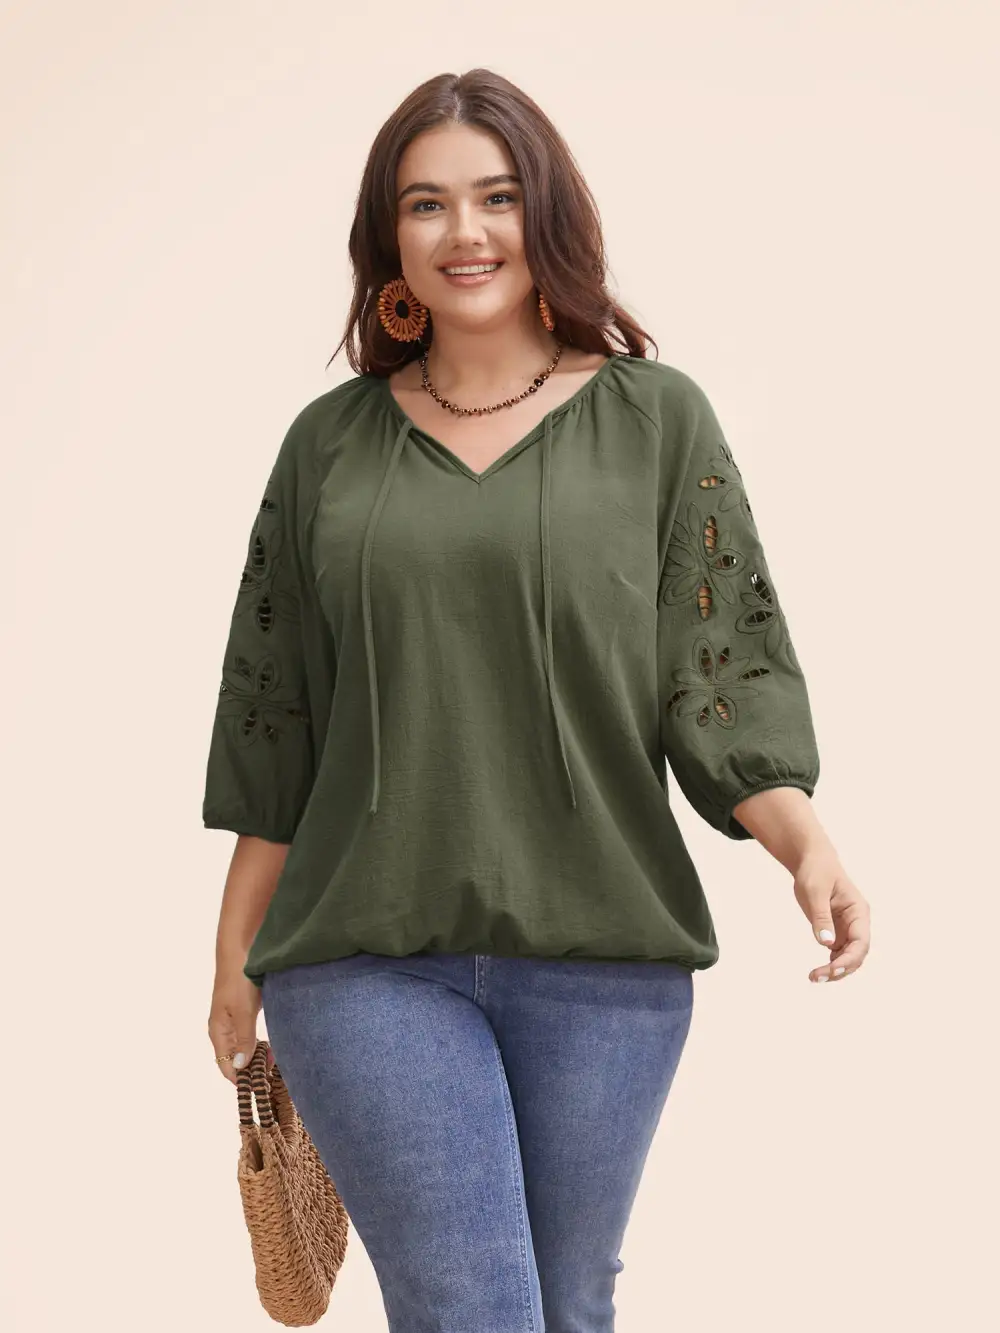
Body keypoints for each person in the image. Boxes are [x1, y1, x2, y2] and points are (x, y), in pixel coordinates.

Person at [204, 67, 870, 1332]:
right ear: (389, 236)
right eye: (426, 203)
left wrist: (806, 845)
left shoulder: (657, 420)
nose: (464, 232)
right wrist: (234, 952)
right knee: (477, 1307)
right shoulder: (328, 447)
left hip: (602, 964)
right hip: (360, 960)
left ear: (545, 214)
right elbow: (275, 717)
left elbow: (717, 674)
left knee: (566, 1306)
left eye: (496, 197)